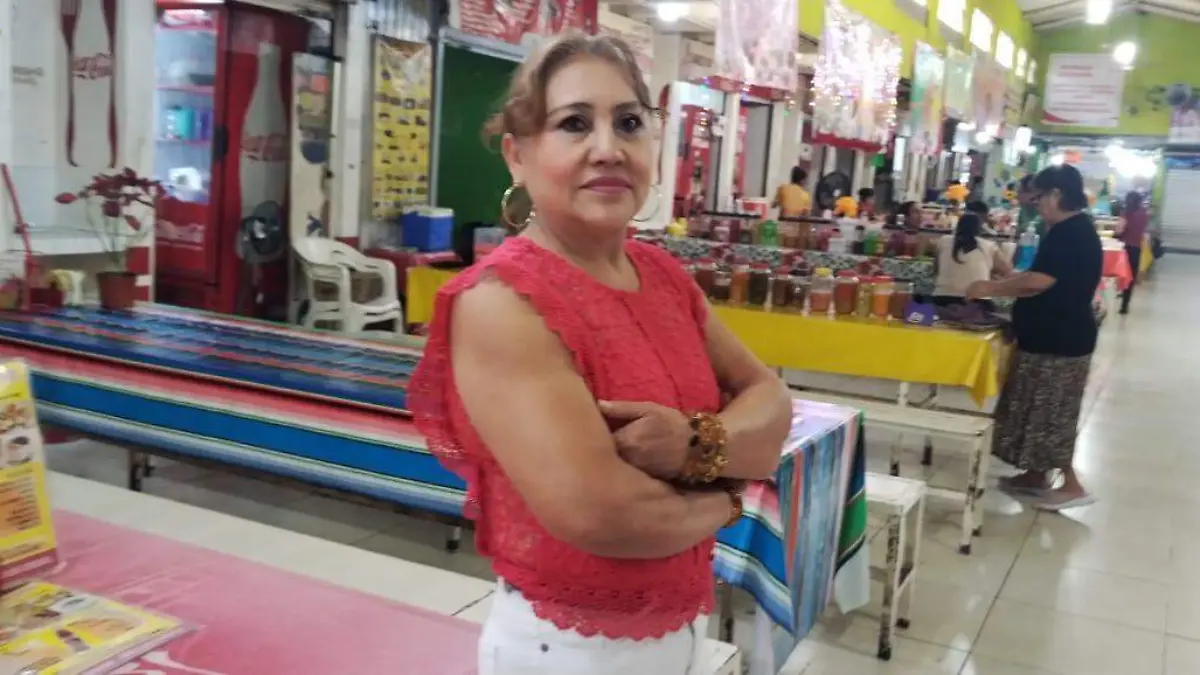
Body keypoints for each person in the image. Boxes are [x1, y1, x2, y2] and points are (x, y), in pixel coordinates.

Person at [408, 34, 793, 674]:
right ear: (518, 155)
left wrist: (693, 444)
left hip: (682, 625)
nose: (609, 148)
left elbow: (772, 404)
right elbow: (606, 515)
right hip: (568, 650)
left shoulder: (662, 276)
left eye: (629, 123)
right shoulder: (502, 302)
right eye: (574, 124)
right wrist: (731, 495)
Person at [965, 164, 1102, 510]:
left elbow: (1041, 281)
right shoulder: (1061, 230)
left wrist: (991, 288)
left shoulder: (1074, 233)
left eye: (1039, 198)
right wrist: (1007, 287)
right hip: (1044, 336)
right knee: (1031, 408)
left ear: (1057, 194)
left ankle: (1071, 486)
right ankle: (1035, 474)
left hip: (1062, 340)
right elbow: (1036, 278)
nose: (1035, 204)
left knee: (1052, 413)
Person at [931, 213, 1012, 312]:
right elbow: (1007, 270)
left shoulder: (943, 240)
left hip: (942, 299)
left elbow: (936, 269)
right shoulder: (989, 245)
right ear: (979, 228)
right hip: (978, 302)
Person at [1116, 189, 1150, 315]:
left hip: (1124, 249)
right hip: (1136, 248)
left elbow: (1119, 230)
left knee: (1120, 273)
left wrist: (1116, 234)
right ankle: (1125, 305)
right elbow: (1144, 230)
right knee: (1130, 276)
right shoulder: (1144, 213)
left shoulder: (1126, 213)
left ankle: (1120, 292)